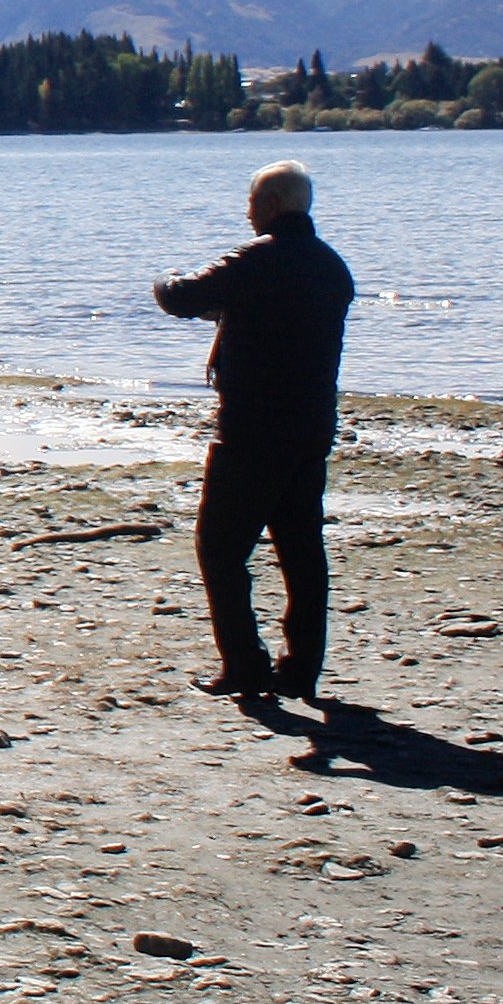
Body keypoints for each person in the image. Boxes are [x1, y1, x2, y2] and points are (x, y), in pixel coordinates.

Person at [154, 158, 357, 699]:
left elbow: (181, 295)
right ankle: (301, 669)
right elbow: (279, 317)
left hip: (251, 429)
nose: (247, 213)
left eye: (250, 203)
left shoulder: (257, 257)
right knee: (301, 548)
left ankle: (244, 664)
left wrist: (161, 279)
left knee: (219, 547)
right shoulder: (332, 267)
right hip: (312, 426)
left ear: (269, 207)